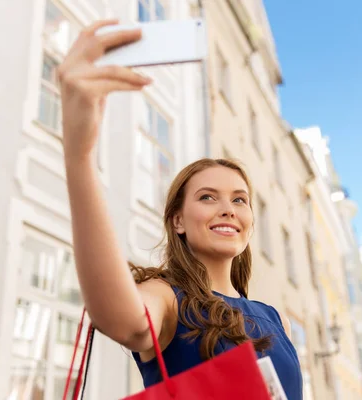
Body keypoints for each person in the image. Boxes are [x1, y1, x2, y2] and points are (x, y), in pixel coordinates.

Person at [58, 19, 303, 400]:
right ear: (178, 220)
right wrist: (79, 155)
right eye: (207, 197)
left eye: (239, 199)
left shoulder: (275, 318)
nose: (228, 209)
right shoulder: (166, 297)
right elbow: (118, 317)